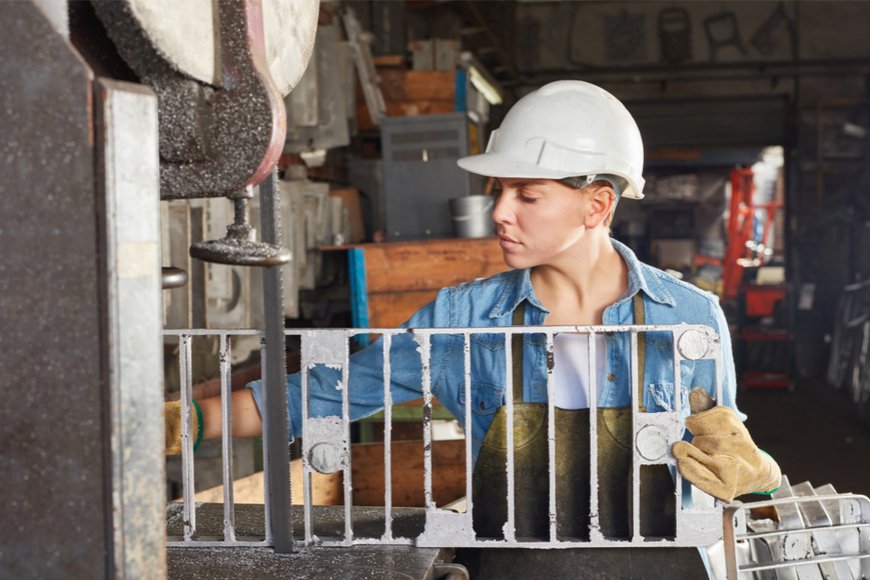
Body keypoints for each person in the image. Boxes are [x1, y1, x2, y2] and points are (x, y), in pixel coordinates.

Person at [165, 80, 780, 576]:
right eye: (498, 190)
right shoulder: (463, 320)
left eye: (527, 195)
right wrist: (189, 423)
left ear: (596, 204)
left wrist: (761, 479)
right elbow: (322, 395)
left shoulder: (689, 319)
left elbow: (726, 468)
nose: (500, 212)